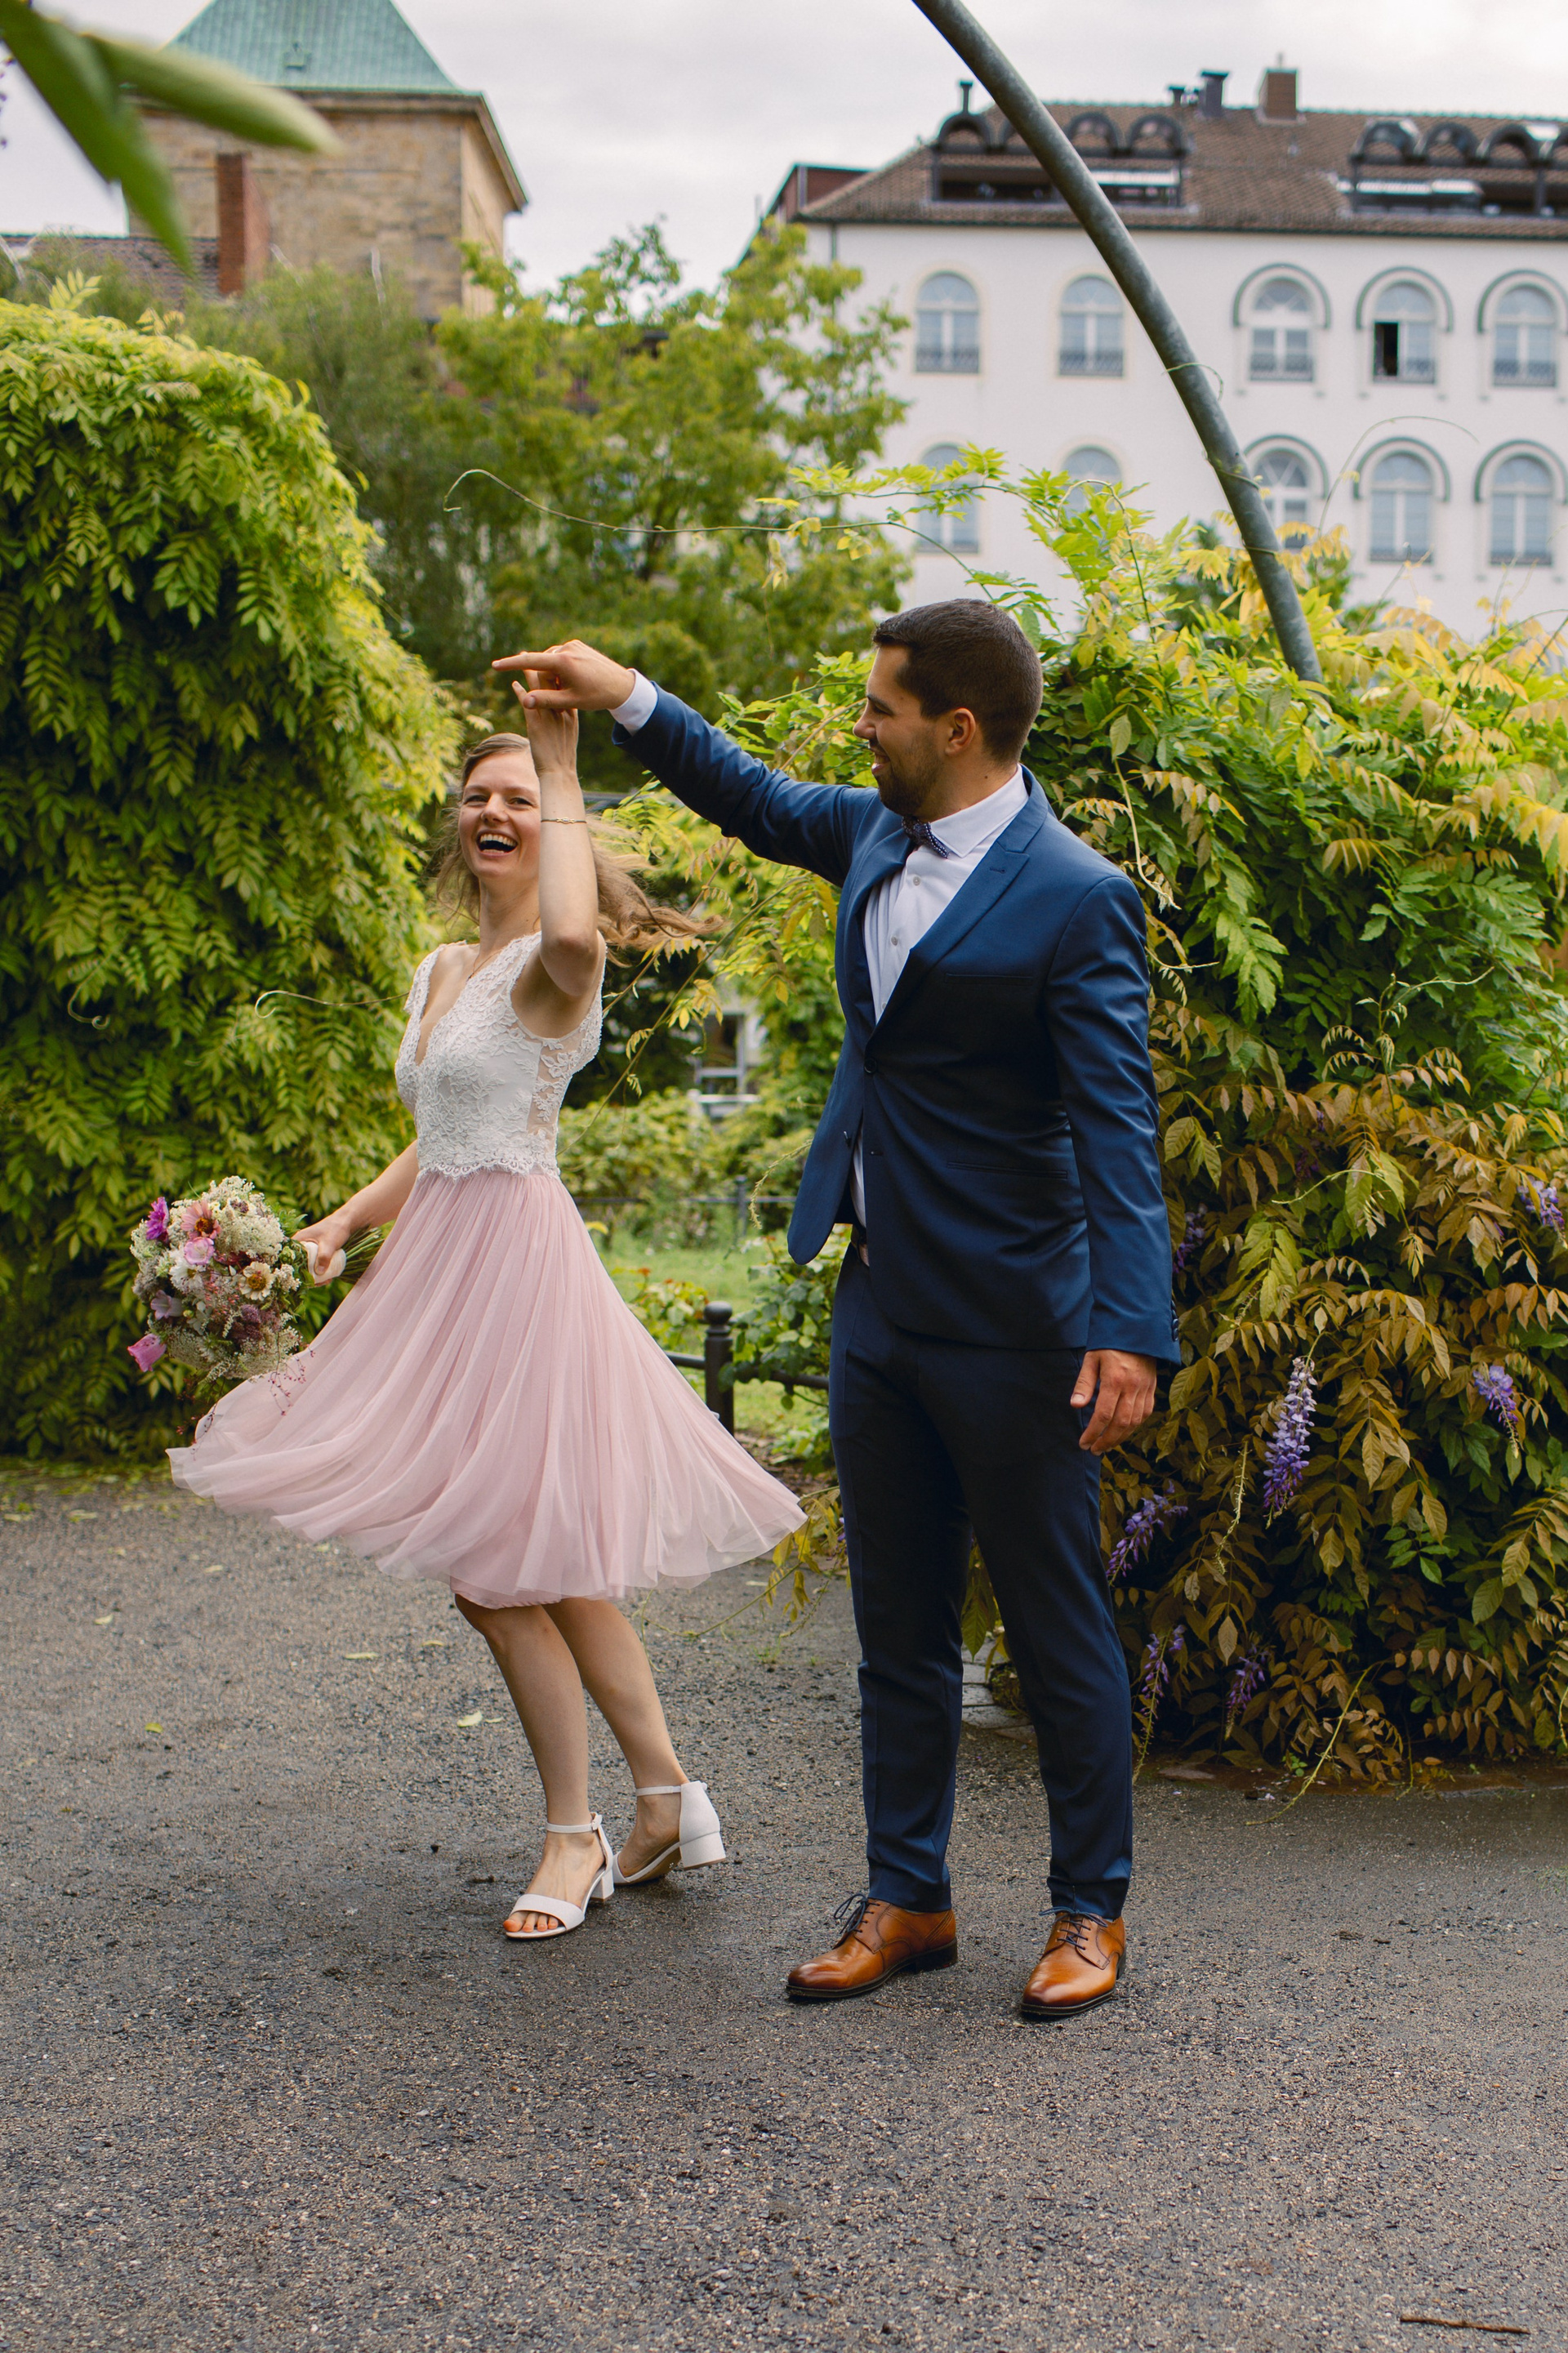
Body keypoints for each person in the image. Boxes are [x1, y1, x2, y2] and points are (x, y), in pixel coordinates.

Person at [496, 604, 1178, 2017]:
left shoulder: (1077, 895)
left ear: (958, 729)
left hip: (1019, 1321)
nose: (861, 728)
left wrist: (1130, 1328)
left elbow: (1118, 1129)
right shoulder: (874, 830)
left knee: (1057, 1627)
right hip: (879, 1304)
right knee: (897, 1631)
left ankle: (1089, 1909)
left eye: (881, 709)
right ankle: (907, 1895)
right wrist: (623, 692)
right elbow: (745, 792)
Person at [169, 700, 804, 1941]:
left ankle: (576, 1835)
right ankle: (668, 1798)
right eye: (481, 796)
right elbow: (442, 1134)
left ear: (556, 823)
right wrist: (340, 1225)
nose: (496, 811)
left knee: (498, 1572)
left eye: (521, 796)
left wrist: (564, 761)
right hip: (443, 1268)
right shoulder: (442, 969)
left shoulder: (564, 964)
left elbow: (567, 929)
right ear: (458, 822)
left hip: (518, 1271)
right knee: (540, 1565)